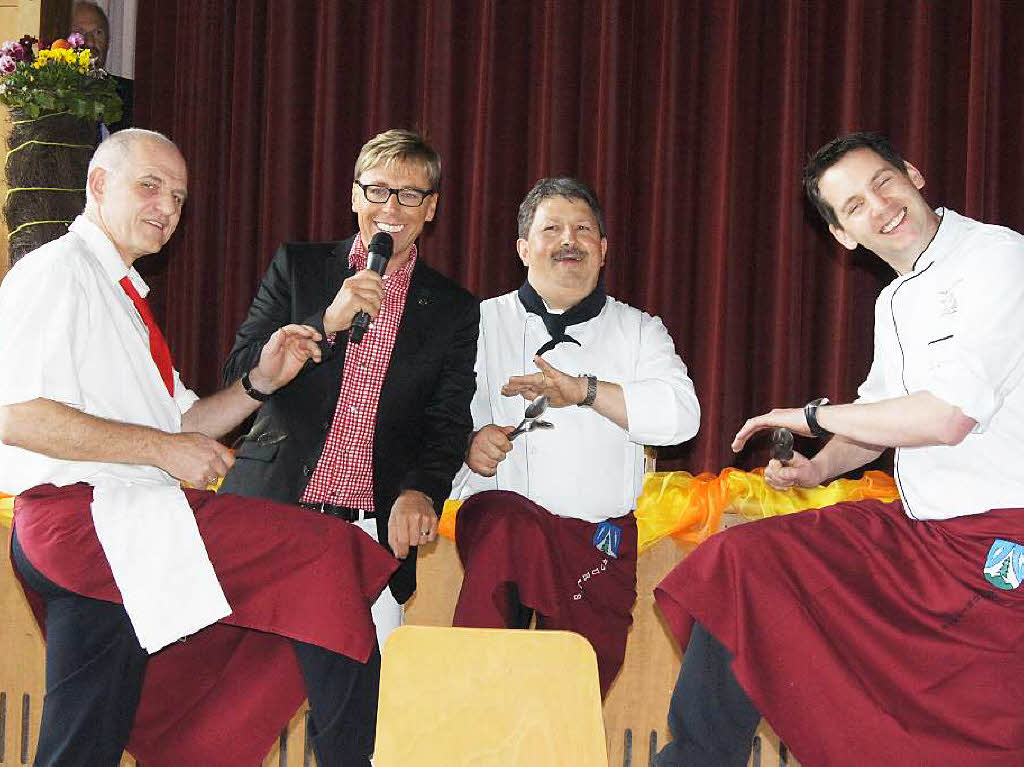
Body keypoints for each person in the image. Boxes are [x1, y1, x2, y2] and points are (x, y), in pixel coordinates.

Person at [0, 129, 398, 767]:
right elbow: (15, 415)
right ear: (98, 185)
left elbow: (189, 422)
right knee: (330, 557)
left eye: (180, 199)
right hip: (85, 521)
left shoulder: (125, 301)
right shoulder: (56, 272)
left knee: (83, 740)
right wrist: (161, 450)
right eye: (150, 186)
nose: (167, 208)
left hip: (113, 537)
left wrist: (261, 380)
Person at [654, 132, 1024, 766]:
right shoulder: (893, 300)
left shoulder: (997, 257)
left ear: (913, 174)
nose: (879, 207)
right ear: (843, 236)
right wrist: (818, 464)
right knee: (741, 564)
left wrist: (810, 415)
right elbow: (879, 414)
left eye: (882, 183)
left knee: (962, 729)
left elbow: (948, 417)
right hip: (925, 538)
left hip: (999, 544)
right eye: (853, 206)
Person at [220, 128, 479, 648]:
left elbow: (446, 424)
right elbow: (240, 375)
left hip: (368, 533)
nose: (393, 207)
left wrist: (420, 490)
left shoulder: (452, 307)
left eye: (411, 194)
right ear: (355, 195)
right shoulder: (299, 267)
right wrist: (327, 321)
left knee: (358, 713)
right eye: (379, 190)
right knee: (234, 700)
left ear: (431, 209)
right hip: (273, 510)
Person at [450, 177, 701, 696]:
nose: (570, 240)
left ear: (603, 250)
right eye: (552, 229)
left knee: (571, 699)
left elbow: (682, 418)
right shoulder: (476, 323)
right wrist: (467, 443)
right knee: (488, 677)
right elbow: (433, 418)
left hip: (596, 544)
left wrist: (585, 392)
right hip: (502, 537)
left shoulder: (640, 330)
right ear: (523, 249)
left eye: (583, 229)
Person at [70, 1, 132, 133]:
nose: (90, 42)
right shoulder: (48, 97)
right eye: (79, 33)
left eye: (98, 33)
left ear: (108, 42)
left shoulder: (131, 97)